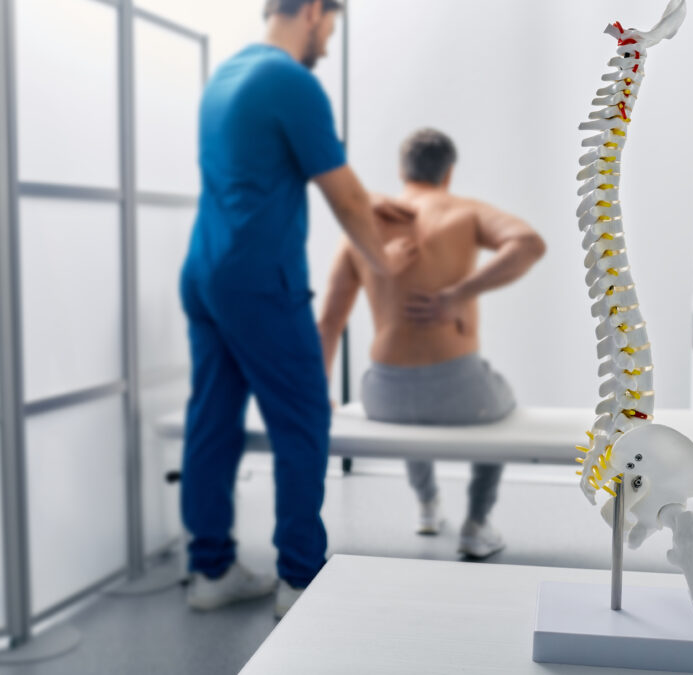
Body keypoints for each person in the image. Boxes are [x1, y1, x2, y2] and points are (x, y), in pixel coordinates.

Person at [179, 0, 418, 619]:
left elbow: (274, 172)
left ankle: (210, 570)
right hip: (260, 278)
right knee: (304, 416)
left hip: (206, 270)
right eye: (332, 28)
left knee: (212, 416)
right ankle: (300, 581)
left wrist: (373, 204)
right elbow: (343, 199)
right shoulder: (292, 80)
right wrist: (387, 266)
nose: (329, 44)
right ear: (313, 11)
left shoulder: (228, 76)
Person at [317, 128, 546, 558]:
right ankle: (477, 523)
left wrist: (320, 393)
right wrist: (457, 294)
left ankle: (426, 505)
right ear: (449, 173)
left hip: (382, 396)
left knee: (413, 422)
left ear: (402, 171)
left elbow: (328, 322)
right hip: (463, 396)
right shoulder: (464, 211)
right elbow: (529, 245)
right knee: (503, 409)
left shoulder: (363, 227)